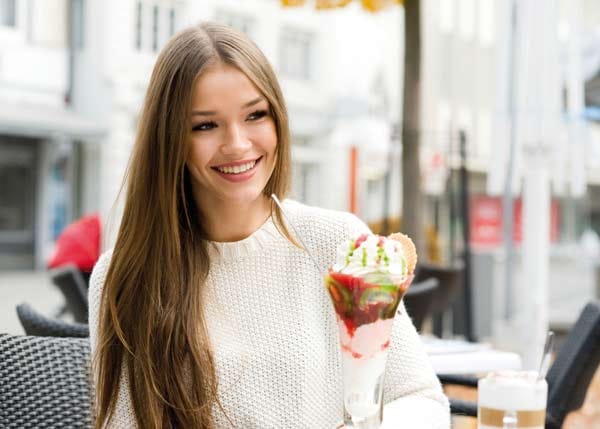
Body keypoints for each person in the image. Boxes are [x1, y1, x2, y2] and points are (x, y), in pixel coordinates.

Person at [89, 22, 450, 429]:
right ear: (170, 139)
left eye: (255, 115)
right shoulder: (122, 278)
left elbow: (418, 398)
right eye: (205, 125)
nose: (238, 143)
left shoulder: (338, 243)